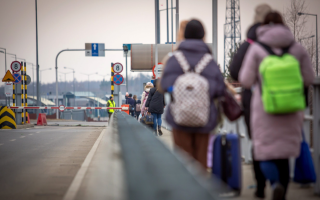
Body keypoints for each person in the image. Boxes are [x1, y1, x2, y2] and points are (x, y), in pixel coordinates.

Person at [239, 11, 315, 200]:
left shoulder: (257, 48)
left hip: (265, 108)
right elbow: (309, 78)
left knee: (263, 150)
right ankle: (282, 188)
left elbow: (245, 80)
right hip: (291, 108)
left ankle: (274, 183)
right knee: (284, 153)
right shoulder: (297, 48)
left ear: (263, 26)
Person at [160, 19, 225, 169]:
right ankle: (201, 190)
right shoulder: (209, 61)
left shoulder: (174, 59)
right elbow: (220, 89)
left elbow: (165, 85)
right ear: (203, 36)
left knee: (183, 163)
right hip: (205, 119)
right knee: (201, 162)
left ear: (184, 35)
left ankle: (185, 190)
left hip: (179, 118)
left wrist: (180, 91)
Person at [229, 4, 272, 198]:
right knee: (283, 141)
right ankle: (280, 182)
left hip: (255, 100)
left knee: (257, 141)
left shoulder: (250, 44)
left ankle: (261, 185)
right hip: (287, 99)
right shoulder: (286, 42)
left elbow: (235, 71)